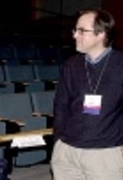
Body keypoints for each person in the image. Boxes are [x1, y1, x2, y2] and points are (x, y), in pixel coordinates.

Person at [51, 9, 123, 180]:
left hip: (105, 154)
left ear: (101, 34)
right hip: (67, 151)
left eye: (82, 31)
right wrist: (58, 142)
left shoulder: (120, 64)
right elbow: (61, 106)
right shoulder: (72, 64)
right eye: (75, 30)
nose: (75, 35)